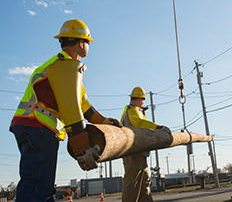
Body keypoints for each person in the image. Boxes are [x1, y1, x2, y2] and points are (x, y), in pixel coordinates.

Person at [9, 19, 121, 202]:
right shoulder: (65, 67)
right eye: (88, 42)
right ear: (81, 43)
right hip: (37, 126)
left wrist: (103, 121)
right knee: (36, 187)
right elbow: (71, 106)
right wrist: (81, 145)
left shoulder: (63, 66)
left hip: (32, 126)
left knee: (42, 186)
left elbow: (82, 103)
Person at [120, 87, 171, 202]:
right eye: (143, 100)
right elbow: (139, 122)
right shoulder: (133, 110)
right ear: (140, 100)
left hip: (138, 152)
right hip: (133, 152)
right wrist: (158, 128)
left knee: (145, 181)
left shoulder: (130, 111)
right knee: (133, 181)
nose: (143, 103)